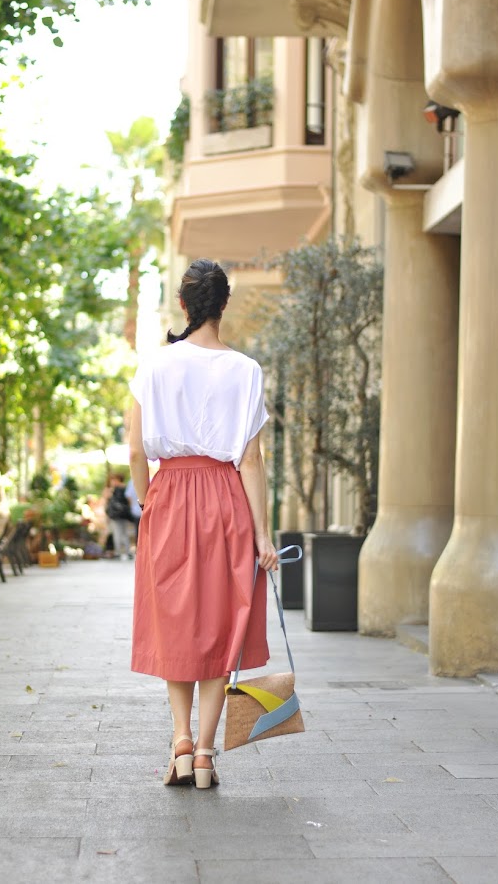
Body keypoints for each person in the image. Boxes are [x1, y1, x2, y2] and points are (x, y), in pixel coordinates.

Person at [129, 258, 278, 790]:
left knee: (175, 621)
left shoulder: (155, 366)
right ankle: (207, 755)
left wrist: (150, 504)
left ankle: (180, 741)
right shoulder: (246, 370)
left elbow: (134, 449)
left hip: (169, 493)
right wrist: (263, 535)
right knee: (219, 623)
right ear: (225, 305)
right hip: (226, 498)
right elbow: (252, 460)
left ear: (185, 305)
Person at [104, 473, 132, 560]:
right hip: (124, 514)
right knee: (124, 533)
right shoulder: (126, 488)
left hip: (116, 514)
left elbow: (106, 498)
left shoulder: (115, 489)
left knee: (118, 533)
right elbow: (129, 500)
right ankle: (127, 552)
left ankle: (118, 552)